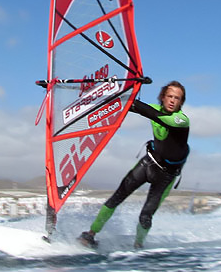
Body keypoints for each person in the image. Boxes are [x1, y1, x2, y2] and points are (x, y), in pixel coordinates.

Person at [79, 81, 190, 249]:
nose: (173, 101)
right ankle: (91, 234)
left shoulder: (181, 120)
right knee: (116, 197)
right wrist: (95, 96)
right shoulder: (155, 108)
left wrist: (133, 102)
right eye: (170, 96)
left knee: (146, 216)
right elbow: (125, 105)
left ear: (181, 102)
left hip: (166, 175)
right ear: (163, 97)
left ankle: (138, 245)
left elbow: (153, 115)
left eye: (177, 98)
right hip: (148, 163)